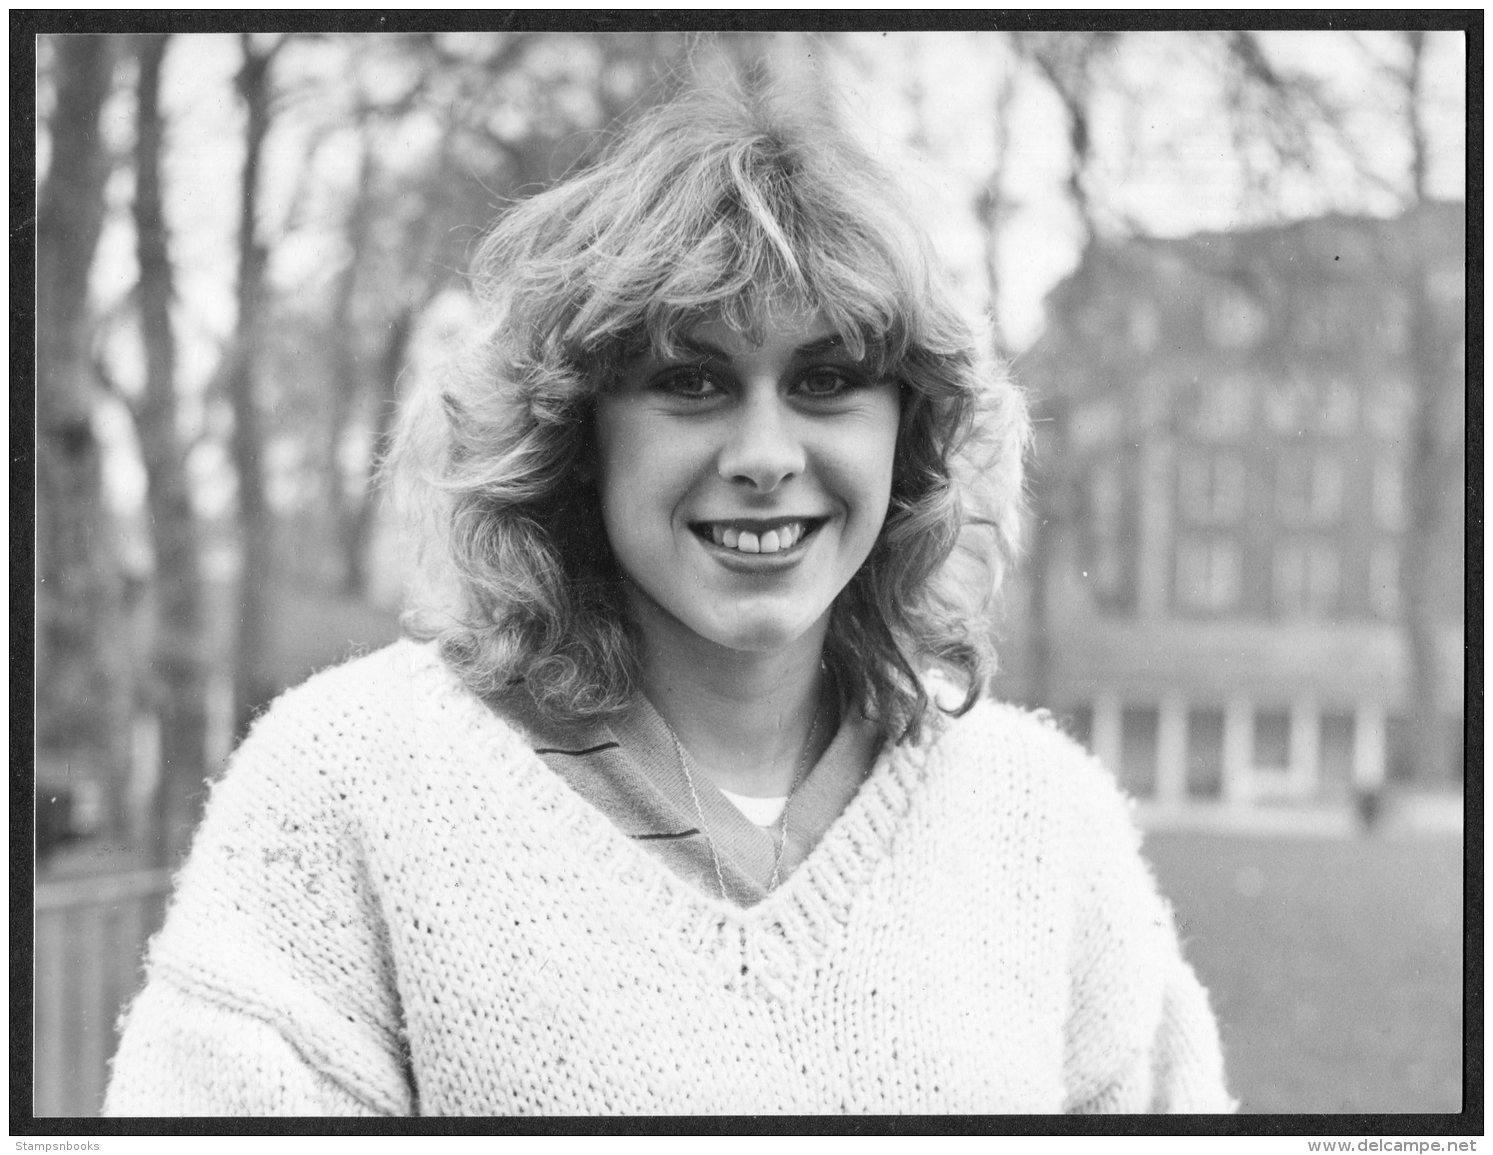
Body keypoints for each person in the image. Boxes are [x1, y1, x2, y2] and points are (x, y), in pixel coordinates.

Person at [104, 75, 1232, 1116]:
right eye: (687, 381)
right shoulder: (349, 783)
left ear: (915, 433)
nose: (764, 454)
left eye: (826, 380)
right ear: (576, 432)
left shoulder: (1040, 821)